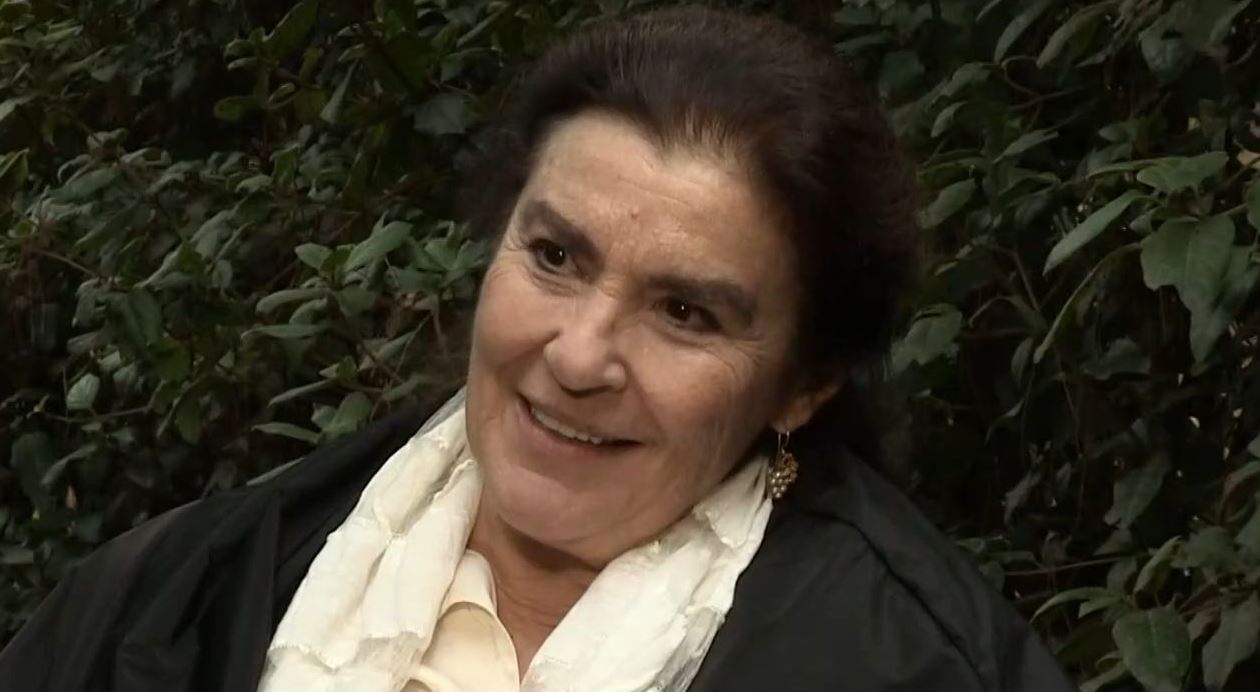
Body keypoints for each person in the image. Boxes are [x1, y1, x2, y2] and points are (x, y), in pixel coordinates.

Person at [0, 6, 1076, 692]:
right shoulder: (181, 593)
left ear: (804, 385)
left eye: (684, 312)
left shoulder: (920, 666)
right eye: (556, 256)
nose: (578, 354)